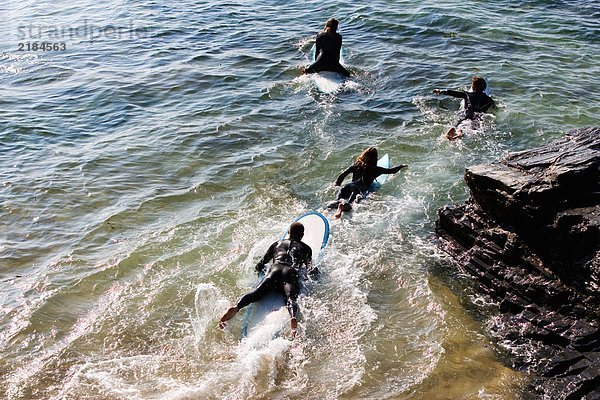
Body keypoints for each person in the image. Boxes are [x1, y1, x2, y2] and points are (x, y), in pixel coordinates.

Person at [219, 222, 314, 337]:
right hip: (290, 272)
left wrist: (258, 273)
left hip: (275, 270)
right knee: (291, 297)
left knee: (257, 293)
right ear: (302, 235)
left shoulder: (277, 244)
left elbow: (261, 264)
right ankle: (293, 316)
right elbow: (310, 269)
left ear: (288, 233)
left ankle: (237, 307)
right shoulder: (306, 248)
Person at [328, 147, 407, 218]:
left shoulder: (356, 165)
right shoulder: (377, 170)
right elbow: (392, 171)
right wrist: (401, 166)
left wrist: (337, 184)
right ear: (375, 158)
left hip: (348, 186)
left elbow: (343, 175)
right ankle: (342, 207)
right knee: (350, 205)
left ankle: (333, 208)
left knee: (336, 202)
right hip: (357, 190)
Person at [432, 76, 495, 140]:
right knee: (472, 129)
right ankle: (460, 133)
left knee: (459, 123)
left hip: (465, 113)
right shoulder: (489, 100)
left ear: (473, 87)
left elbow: (454, 93)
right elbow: (494, 107)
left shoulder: (467, 94)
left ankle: (455, 129)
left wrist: (440, 91)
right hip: (477, 115)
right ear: (484, 88)